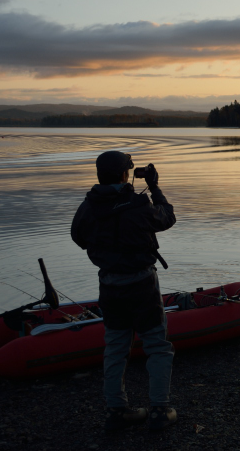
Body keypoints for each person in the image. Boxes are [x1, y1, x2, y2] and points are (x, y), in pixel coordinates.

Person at [71, 151, 177, 433]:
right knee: (157, 346)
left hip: (109, 285)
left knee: (116, 349)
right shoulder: (138, 203)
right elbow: (167, 218)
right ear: (123, 175)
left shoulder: (89, 205)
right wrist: (154, 187)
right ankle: (159, 410)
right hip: (142, 285)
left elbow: (78, 237)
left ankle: (117, 411)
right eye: (128, 171)